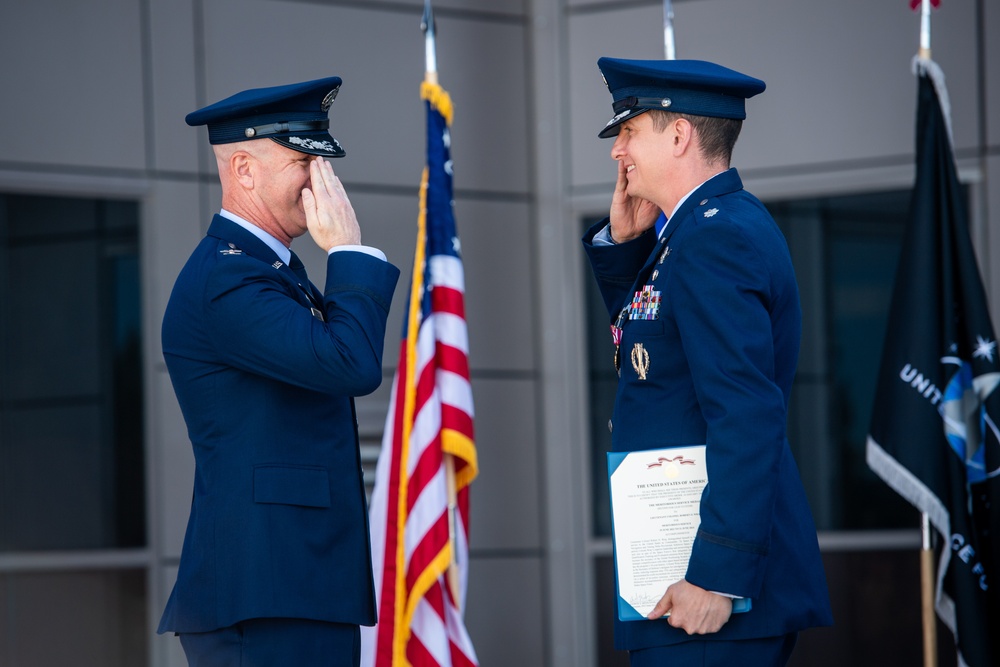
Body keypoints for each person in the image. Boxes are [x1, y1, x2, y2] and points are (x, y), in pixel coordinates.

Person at [582, 57, 833, 666]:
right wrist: (625, 252)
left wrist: (719, 575)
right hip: (683, 569)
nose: (618, 152)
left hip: (711, 592)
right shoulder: (693, 231)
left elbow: (746, 412)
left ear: (678, 135)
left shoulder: (714, 236)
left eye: (629, 131)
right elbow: (657, 360)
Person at [157, 76, 400, 666]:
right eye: (303, 161)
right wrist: (347, 252)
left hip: (295, 585)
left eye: (323, 163)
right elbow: (349, 361)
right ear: (243, 170)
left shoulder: (270, 271)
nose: (323, 181)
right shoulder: (229, 279)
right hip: (264, 593)